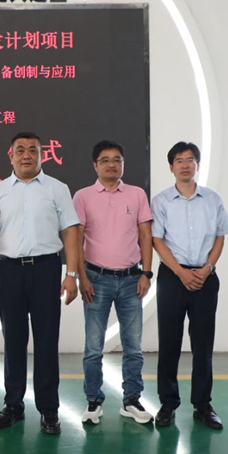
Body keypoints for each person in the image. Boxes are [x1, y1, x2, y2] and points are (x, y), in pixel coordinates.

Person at [0, 131, 81, 435]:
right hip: (9, 272)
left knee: (47, 341)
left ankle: (49, 409)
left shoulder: (57, 188)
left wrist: (71, 274)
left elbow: (70, 232)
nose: (26, 155)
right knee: (13, 340)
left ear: (41, 155)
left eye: (33, 150)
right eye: (20, 150)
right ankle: (13, 404)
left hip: (46, 270)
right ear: (10, 155)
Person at [151, 141, 228, 429]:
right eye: (179, 160)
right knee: (169, 342)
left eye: (190, 160)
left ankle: (203, 404)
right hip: (172, 277)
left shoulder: (212, 199)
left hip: (205, 278)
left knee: (203, 343)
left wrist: (207, 268)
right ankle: (168, 404)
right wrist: (180, 272)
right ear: (171, 167)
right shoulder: (161, 201)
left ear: (197, 164)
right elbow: (157, 240)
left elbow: (220, 236)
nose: (185, 165)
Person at [73, 140, 154, 425]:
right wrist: (81, 277)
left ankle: (131, 400)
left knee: (133, 347)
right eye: (105, 160)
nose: (111, 164)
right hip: (96, 279)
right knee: (93, 347)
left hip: (132, 280)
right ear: (95, 165)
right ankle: (93, 401)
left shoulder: (137, 194)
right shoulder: (83, 196)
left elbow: (145, 235)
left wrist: (146, 273)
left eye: (117, 159)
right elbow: (76, 239)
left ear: (123, 164)